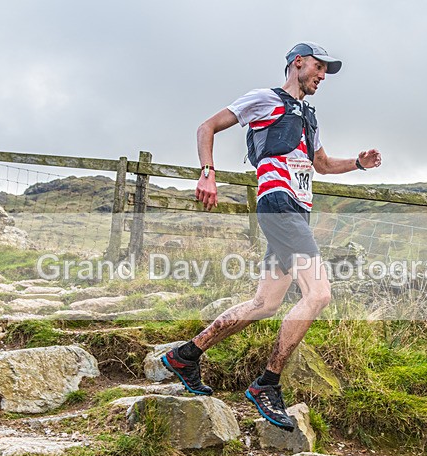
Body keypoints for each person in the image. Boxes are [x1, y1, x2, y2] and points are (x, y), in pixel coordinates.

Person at [162, 42, 382, 431]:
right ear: (298, 62)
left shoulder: (308, 117)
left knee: (265, 303)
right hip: (278, 204)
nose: (322, 76)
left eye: (326, 71)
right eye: (318, 67)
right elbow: (206, 127)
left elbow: (322, 165)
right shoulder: (265, 99)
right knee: (319, 294)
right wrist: (207, 172)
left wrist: (358, 164)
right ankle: (267, 383)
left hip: (296, 212)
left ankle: (186, 355)